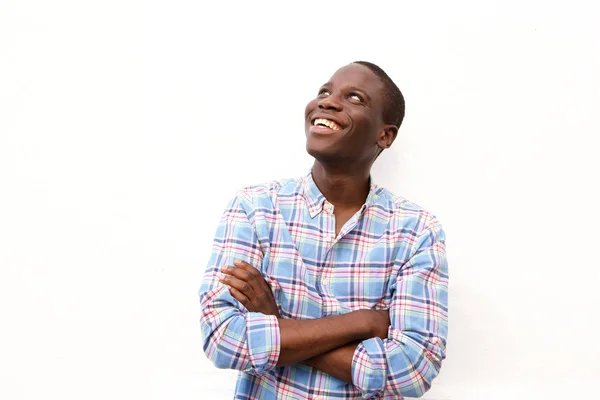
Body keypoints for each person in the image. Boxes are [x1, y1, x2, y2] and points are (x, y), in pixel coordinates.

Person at [198, 61, 448, 399]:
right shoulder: (255, 207)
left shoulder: (416, 231)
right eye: (324, 92)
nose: (327, 102)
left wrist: (276, 322)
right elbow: (222, 338)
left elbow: (412, 371)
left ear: (384, 135)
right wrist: (362, 323)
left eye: (355, 98)